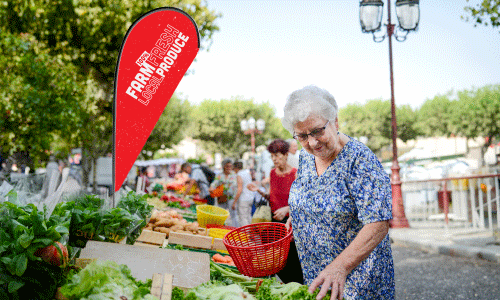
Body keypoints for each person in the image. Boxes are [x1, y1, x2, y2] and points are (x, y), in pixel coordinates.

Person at [282, 85, 394, 299]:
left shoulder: (360, 161)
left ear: (334, 121)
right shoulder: (307, 156)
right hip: (317, 275)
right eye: (302, 136)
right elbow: (308, 193)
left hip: (357, 280)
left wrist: (340, 266)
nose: (312, 142)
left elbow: (378, 224)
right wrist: (299, 218)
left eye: (317, 131)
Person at [248, 139, 303, 284]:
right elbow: (272, 197)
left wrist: (288, 209)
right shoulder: (272, 173)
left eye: (277, 156)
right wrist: (259, 190)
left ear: (286, 155)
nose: (275, 159)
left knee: (290, 262)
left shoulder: (295, 174)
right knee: (272, 260)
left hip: (288, 226)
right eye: (272, 156)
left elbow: (301, 202)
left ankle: (294, 288)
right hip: (272, 225)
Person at [209, 159, 237, 227]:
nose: (229, 168)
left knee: (233, 215)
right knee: (220, 213)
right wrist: (211, 187)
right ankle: (220, 227)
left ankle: (234, 229)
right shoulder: (219, 175)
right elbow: (215, 183)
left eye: (230, 166)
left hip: (231, 197)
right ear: (223, 166)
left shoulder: (234, 175)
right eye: (227, 166)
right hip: (221, 197)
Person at [231, 161, 254, 226]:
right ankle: (250, 232)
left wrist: (234, 202)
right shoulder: (246, 173)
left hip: (243, 199)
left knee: (243, 218)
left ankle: (246, 234)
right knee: (248, 216)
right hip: (250, 197)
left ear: (235, 168)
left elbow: (239, 189)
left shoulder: (239, 175)